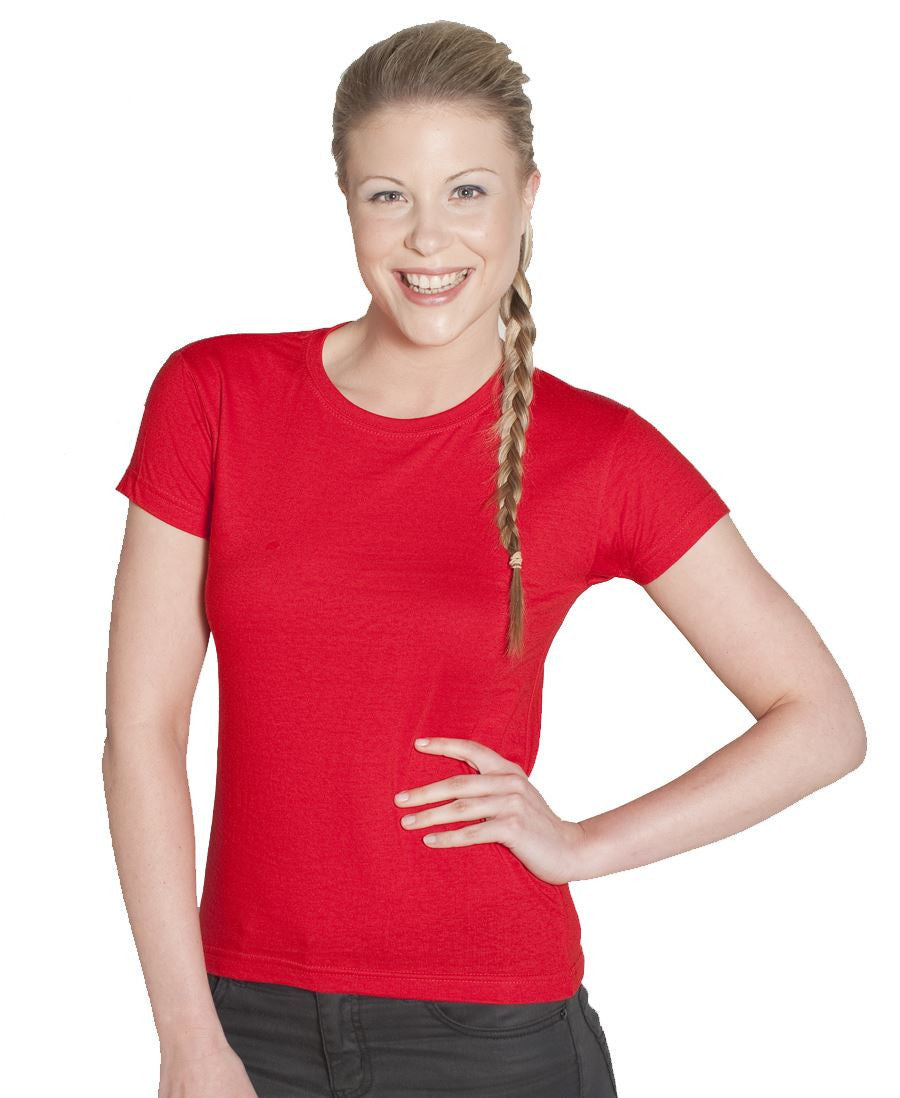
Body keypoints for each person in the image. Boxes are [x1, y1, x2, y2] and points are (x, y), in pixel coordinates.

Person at [104, 20, 866, 1098]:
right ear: (346, 199)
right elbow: (142, 729)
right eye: (388, 195)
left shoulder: (600, 453)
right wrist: (189, 1035)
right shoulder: (214, 396)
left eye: (467, 192)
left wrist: (583, 844)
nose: (428, 239)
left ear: (527, 198)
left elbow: (822, 722)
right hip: (241, 1020)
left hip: (494, 1035)